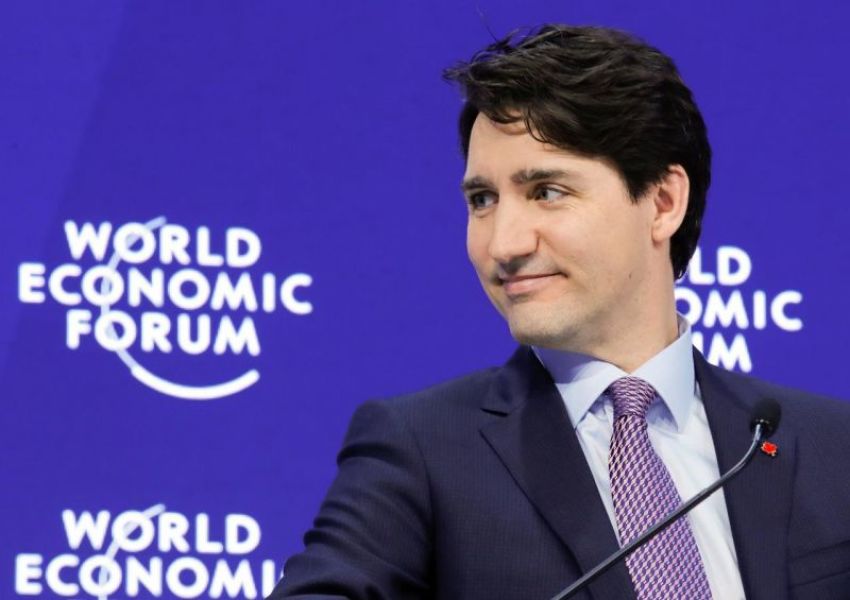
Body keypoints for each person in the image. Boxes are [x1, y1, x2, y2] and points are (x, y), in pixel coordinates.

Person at [269, 24, 850, 599]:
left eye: (546, 191)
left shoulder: (829, 447)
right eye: (482, 200)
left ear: (664, 202)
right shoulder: (421, 451)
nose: (504, 244)